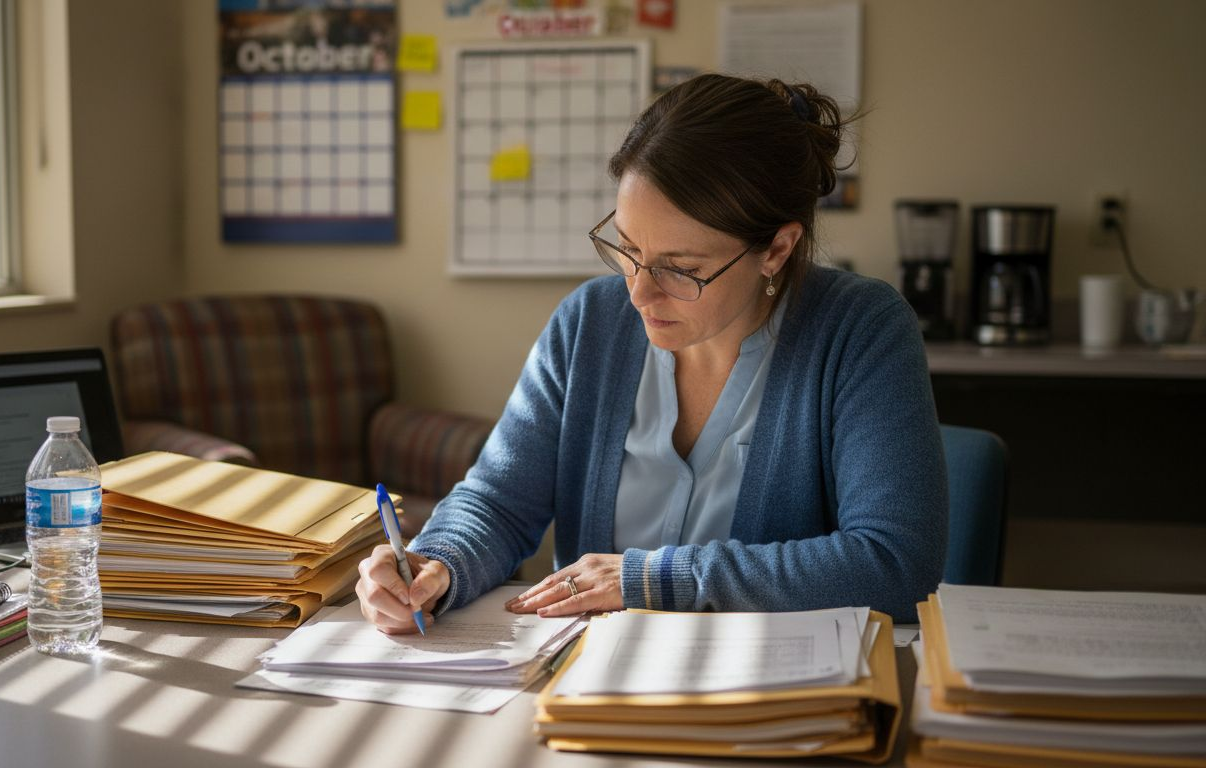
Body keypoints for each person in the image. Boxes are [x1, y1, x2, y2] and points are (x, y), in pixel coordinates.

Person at [356, 73, 947, 632]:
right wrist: (437, 563)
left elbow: (894, 563)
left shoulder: (862, 329)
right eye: (629, 248)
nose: (638, 292)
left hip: (770, 698)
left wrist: (654, 578)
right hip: (588, 685)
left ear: (777, 249)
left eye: (680, 269)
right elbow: (497, 502)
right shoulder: (589, 321)